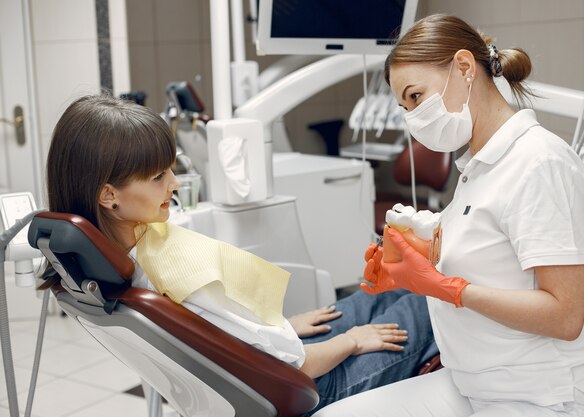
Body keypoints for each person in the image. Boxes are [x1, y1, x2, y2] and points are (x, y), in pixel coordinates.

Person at [43, 94, 438, 414]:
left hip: (282, 356)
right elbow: (292, 367)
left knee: (395, 290)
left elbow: (222, 335)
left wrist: (278, 328)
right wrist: (351, 341)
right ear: (108, 194)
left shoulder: (116, 266)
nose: (175, 183)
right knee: (429, 297)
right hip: (311, 386)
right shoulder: (171, 273)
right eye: (158, 176)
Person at [313, 13, 584, 417]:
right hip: (472, 383)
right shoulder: (477, 165)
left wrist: (446, 287)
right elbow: (491, 260)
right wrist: (409, 269)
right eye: (404, 105)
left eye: (416, 97)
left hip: (548, 396)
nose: (412, 118)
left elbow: (565, 316)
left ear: (463, 68)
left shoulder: (540, 162)